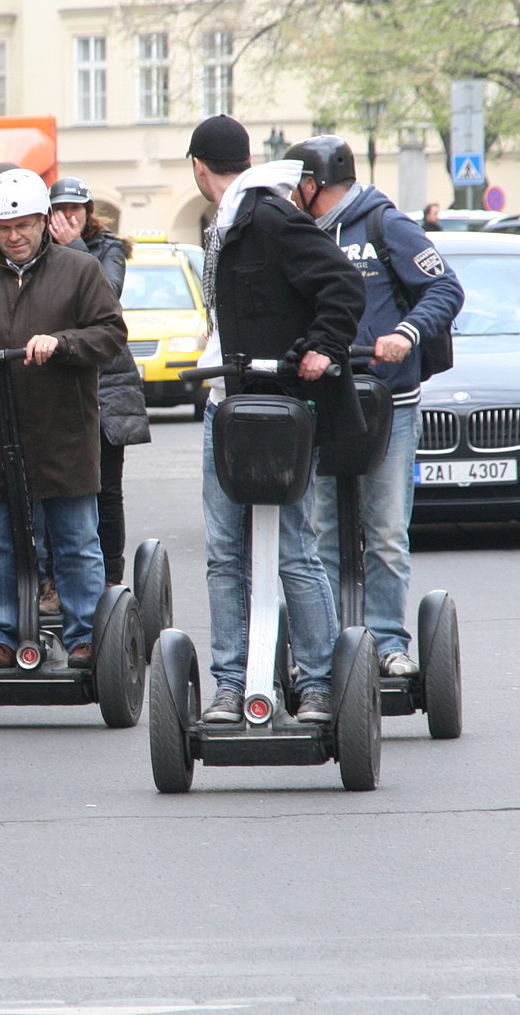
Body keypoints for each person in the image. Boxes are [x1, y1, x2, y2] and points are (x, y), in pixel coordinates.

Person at [185, 114, 365, 726]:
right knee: (224, 552)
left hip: (279, 412)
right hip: (227, 406)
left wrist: (323, 346)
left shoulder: (268, 216)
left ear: (198, 168)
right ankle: (231, 685)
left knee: (292, 548)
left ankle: (318, 685)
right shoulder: (229, 219)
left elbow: (343, 284)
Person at [285, 136, 464, 679]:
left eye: (296, 184)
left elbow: (445, 289)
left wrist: (406, 334)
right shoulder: (297, 233)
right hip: (321, 401)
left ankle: (386, 641)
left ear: (312, 183)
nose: (291, 194)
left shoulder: (386, 225)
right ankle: (329, 648)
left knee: (384, 533)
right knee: (322, 532)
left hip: (388, 402)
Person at [0, 168, 126, 670]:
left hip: (63, 430)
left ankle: (84, 634)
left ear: (44, 220)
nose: (14, 236)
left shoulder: (80, 270)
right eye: (3, 228)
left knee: (76, 542)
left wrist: (62, 343)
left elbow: (111, 334)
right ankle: (3, 634)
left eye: (23, 225)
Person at [47, 176, 150, 587]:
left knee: (106, 489)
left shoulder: (109, 249)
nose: (67, 216)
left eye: (75, 209)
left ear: (88, 212)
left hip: (107, 381)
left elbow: (106, 297)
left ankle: (109, 578)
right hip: (59, 377)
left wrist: (73, 247)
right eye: (60, 209)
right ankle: (58, 580)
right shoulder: (40, 249)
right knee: (57, 489)